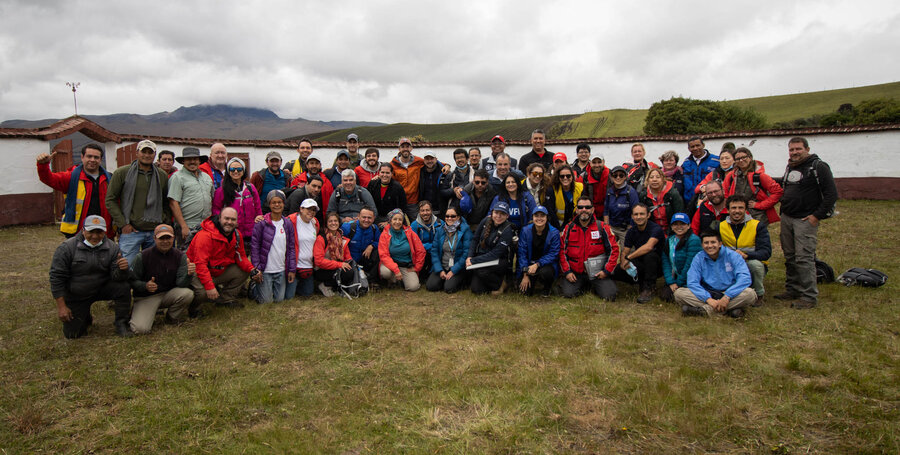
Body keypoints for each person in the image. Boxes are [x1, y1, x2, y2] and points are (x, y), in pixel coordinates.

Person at [775, 137, 838, 310]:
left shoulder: (819, 167)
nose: (794, 152)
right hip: (787, 217)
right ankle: (793, 289)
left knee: (804, 258)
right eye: (791, 149)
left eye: (798, 149)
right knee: (790, 256)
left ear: (807, 149)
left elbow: (831, 194)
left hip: (805, 219)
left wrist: (816, 216)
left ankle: (809, 296)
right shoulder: (791, 167)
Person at [49, 215, 133, 338]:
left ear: (104, 232)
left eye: (99, 232)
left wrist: (123, 270)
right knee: (73, 334)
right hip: (77, 293)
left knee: (124, 287)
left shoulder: (113, 248)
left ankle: (121, 323)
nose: (95, 236)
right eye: (91, 232)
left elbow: (117, 277)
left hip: (101, 287)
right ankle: (85, 316)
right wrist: (62, 307)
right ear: (83, 230)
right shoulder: (67, 248)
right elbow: (56, 277)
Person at [106, 139, 170, 265]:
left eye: (150, 152)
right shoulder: (122, 173)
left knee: (153, 267)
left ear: (155, 154)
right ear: (137, 153)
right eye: (143, 151)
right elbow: (110, 200)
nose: (147, 155)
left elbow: (166, 202)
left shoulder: (162, 175)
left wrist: (164, 223)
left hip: (154, 231)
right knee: (128, 267)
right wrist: (123, 224)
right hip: (131, 231)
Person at [187, 207, 261, 314]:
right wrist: (209, 286)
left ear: (237, 221)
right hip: (199, 272)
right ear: (219, 218)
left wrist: (252, 270)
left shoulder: (236, 235)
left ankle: (225, 299)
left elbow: (241, 257)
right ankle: (194, 308)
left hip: (219, 270)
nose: (229, 222)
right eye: (226, 219)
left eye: (233, 219)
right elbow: (200, 264)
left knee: (244, 270)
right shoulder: (205, 235)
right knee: (202, 292)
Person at [128, 224, 195, 334]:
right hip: (147, 297)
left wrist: (189, 274)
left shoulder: (180, 256)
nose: (165, 241)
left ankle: (172, 317)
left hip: (168, 294)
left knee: (187, 293)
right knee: (140, 329)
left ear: (173, 238)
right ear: (154, 238)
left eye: (168, 238)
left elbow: (181, 284)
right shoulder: (142, 256)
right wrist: (145, 286)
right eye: (161, 238)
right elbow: (131, 281)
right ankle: (139, 312)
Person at [37, 143, 113, 238]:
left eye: (96, 157)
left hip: (104, 231)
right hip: (77, 232)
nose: (92, 160)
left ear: (101, 159)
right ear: (82, 157)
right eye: (89, 156)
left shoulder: (110, 179)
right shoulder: (70, 177)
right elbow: (49, 179)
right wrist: (43, 165)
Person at [675, 231, 755, 318]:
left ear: (720, 244)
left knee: (750, 294)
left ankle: (706, 310)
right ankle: (729, 311)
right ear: (702, 245)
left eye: (713, 242)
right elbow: (692, 282)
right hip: (709, 292)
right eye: (706, 243)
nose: (710, 246)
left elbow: (745, 278)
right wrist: (708, 299)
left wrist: (727, 296)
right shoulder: (698, 258)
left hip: (730, 293)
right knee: (679, 293)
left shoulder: (733, 256)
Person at [559, 196, 619, 300]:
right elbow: (561, 251)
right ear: (577, 210)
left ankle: (597, 285)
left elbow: (614, 250)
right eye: (581, 207)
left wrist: (606, 271)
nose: (584, 210)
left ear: (592, 209)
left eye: (587, 207)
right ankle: (585, 285)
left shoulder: (603, 227)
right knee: (567, 294)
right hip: (576, 273)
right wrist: (567, 272)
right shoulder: (569, 228)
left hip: (598, 273)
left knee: (610, 296)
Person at [717, 196, 771, 306]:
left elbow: (766, 252)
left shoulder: (757, 225)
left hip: (749, 262)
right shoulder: (720, 226)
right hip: (729, 263)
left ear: (746, 209)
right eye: (734, 208)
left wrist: (747, 255)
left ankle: (759, 294)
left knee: (755, 265)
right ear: (728, 210)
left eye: (741, 208)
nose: (737, 211)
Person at [250, 190, 296, 304]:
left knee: (279, 300)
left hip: (281, 269)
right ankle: (253, 288)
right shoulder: (261, 223)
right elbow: (254, 247)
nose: (277, 205)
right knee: (266, 302)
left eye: (279, 202)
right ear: (269, 204)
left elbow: (291, 248)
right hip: (265, 269)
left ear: (283, 203)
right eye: (273, 202)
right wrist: (257, 268)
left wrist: (291, 269)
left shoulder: (287, 224)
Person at [613, 203, 664, 303]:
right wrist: (623, 261)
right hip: (641, 263)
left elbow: (648, 247)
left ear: (648, 215)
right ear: (632, 216)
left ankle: (649, 288)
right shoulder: (631, 231)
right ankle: (641, 282)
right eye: (636, 214)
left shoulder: (656, 229)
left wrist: (629, 258)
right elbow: (625, 250)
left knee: (650, 256)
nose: (638, 217)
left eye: (642, 214)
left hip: (658, 266)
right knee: (618, 270)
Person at [213, 157, 263, 252]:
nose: (236, 171)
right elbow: (216, 210)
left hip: (251, 233)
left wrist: (259, 217)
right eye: (232, 169)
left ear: (243, 171)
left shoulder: (250, 188)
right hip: (232, 233)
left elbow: (257, 207)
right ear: (228, 171)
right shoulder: (221, 191)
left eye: (239, 169)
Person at [168, 147, 214, 249]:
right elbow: (173, 203)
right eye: (189, 159)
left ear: (199, 161)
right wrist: (183, 226)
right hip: (187, 226)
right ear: (183, 161)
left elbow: (212, 198)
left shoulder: (207, 177)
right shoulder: (177, 177)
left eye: (195, 159)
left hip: (205, 225)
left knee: (205, 256)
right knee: (187, 258)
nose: (192, 162)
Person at [723, 147, 783, 224]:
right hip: (737, 214)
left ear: (750, 157)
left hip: (757, 216)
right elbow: (725, 192)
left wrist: (760, 205)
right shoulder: (732, 176)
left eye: (744, 157)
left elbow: (778, 192)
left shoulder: (760, 176)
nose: (741, 160)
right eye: (738, 159)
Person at [466, 202, 515, 294]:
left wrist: (474, 261)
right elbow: (475, 239)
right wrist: (470, 256)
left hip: (499, 260)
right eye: (496, 213)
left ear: (507, 216)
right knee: (476, 290)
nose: (498, 216)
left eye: (502, 214)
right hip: (482, 257)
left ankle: (501, 284)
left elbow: (495, 254)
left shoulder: (507, 230)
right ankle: (490, 281)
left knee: (481, 272)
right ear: (492, 213)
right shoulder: (485, 220)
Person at [425, 206, 472, 293]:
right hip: (443, 266)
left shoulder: (465, 230)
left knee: (449, 288)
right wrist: (439, 270)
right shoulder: (440, 230)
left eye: (453, 216)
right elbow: (434, 251)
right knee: (431, 286)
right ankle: (444, 278)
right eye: (447, 216)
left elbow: (466, 253)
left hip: (457, 267)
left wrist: (453, 271)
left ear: (458, 217)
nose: (449, 218)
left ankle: (460, 280)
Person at [378, 208, 427, 291]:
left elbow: (420, 250)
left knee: (413, 287)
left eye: (400, 219)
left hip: (406, 265)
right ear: (390, 220)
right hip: (391, 265)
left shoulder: (409, 232)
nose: (397, 222)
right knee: (385, 272)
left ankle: (400, 280)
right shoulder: (385, 234)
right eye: (395, 219)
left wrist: (417, 267)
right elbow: (384, 255)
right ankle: (393, 280)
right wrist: (396, 270)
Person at [516, 206, 560, 296]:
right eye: (536, 216)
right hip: (529, 264)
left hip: (544, 265)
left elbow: (553, 254)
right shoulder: (525, 230)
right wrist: (525, 273)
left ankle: (546, 288)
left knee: (546, 273)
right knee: (524, 292)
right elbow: (522, 253)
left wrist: (537, 264)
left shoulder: (554, 232)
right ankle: (533, 281)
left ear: (547, 218)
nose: (539, 218)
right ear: (532, 217)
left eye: (542, 216)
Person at [659, 213, 702, 302]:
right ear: (671, 226)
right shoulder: (669, 240)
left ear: (689, 225)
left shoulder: (694, 240)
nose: (679, 227)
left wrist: (678, 283)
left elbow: (689, 264)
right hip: (676, 277)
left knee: (675, 295)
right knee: (665, 296)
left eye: (682, 224)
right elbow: (665, 261)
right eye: (675, 224)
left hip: (690, 278)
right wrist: (670, 281)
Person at [313, 212, 356, 297]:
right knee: (346, 273)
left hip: (336, 267)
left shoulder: (342, 239)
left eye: (335, 221)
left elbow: (348, 257)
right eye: (330, 221)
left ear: (339, 223)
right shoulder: (321, 238)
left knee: (350, 271)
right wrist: (339, 264)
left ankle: (335, 286)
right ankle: (325, 285)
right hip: (322, 269)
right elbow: (319, 261)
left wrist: (352, 265)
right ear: (326, 223)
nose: (333, 223)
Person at [285, 199, 320, 298]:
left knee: (307, 294)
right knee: (288, 297)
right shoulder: (290, 221)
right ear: (301, 209)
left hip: (308, 266)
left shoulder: (315, 223)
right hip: (293, 266)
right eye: (309, 208)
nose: (311, 212)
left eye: (314, 210)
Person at [341, 206, 380, 280]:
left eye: (369, 218)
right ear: (358, 216)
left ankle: (371, 279)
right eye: (364, 217)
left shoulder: (374, 229)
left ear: (374, 218)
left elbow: (380, 242)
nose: (366, 220)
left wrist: (371, 246)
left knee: (378, 252)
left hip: (364, 259)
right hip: (349, 261)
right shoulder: (348, 227)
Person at [390, 137, 426, 219]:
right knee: (398, 224)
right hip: (398, 202)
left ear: (411, 148)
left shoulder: (418, 161)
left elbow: (431, 162)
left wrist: (446, 165)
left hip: (413, 202)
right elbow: (385, 173)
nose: (405, 149)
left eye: (407, 146)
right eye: (403, 147)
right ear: (399, 149)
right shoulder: (393, 164)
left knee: (416, 225)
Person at [640, 167, 684, 233]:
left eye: (658, 177)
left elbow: (679, 213)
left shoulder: (673, 194)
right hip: (652, 231)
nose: (654, 180)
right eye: (651, 177)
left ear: (663, 179)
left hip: (672, 230)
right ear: (647, 180)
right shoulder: (644, 196)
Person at [604, 166, 639, 241]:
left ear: (625, 177)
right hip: (612, 227)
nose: (618, 178)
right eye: (615, 175)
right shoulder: (610, 192)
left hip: (625, 229)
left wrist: (631, 227)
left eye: (621, 175)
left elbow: (636, 211)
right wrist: (607, 227)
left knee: (626, 251)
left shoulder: (631, 192)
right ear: (611, 177)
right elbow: (606, 211)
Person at [681, 137, 720, 204]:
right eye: (692, 146)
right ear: (689, 149)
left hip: (708, 199)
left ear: (703, 145)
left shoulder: (716, 161)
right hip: (688, 200)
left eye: (698, 145)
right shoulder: (686, 163)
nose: (695, 148)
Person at [367, 163, 408, 228]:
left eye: (387, 173)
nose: (384, 175)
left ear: (392, 174)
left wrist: (389, 222)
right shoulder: (373, 184)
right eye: (382, 172)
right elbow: (367, 202)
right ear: (379, 173)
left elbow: (403, 207)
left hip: (392, 219)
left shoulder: (397, 187)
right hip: (375, 217)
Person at [410, 200, 443, 277]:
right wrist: (429, 246)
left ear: (431, 211)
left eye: (427, 210)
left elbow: (442, 241)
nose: (425, 213)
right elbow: (413, 244)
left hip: (436, 252)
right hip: (421, 253)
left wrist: (431, 247)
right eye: (422, 211)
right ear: (419, 212)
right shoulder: (414, 225)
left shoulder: (440, 223)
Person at [440, 148, 475, 213]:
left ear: (467, 159)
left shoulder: (474, 174)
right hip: (454, 210)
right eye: (457, 158)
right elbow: (442, 192)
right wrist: (453, 191)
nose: (460, 160)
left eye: (462, 157)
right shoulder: (450, 175)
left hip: (471, 209)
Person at [580, 153, 609, 220]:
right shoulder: (585, 176)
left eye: (599, 162)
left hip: (607, 211)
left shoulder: (610, 175)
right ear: (590, 163)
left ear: (603, 162)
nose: (597, 165)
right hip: (591, 211)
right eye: (594, 162)